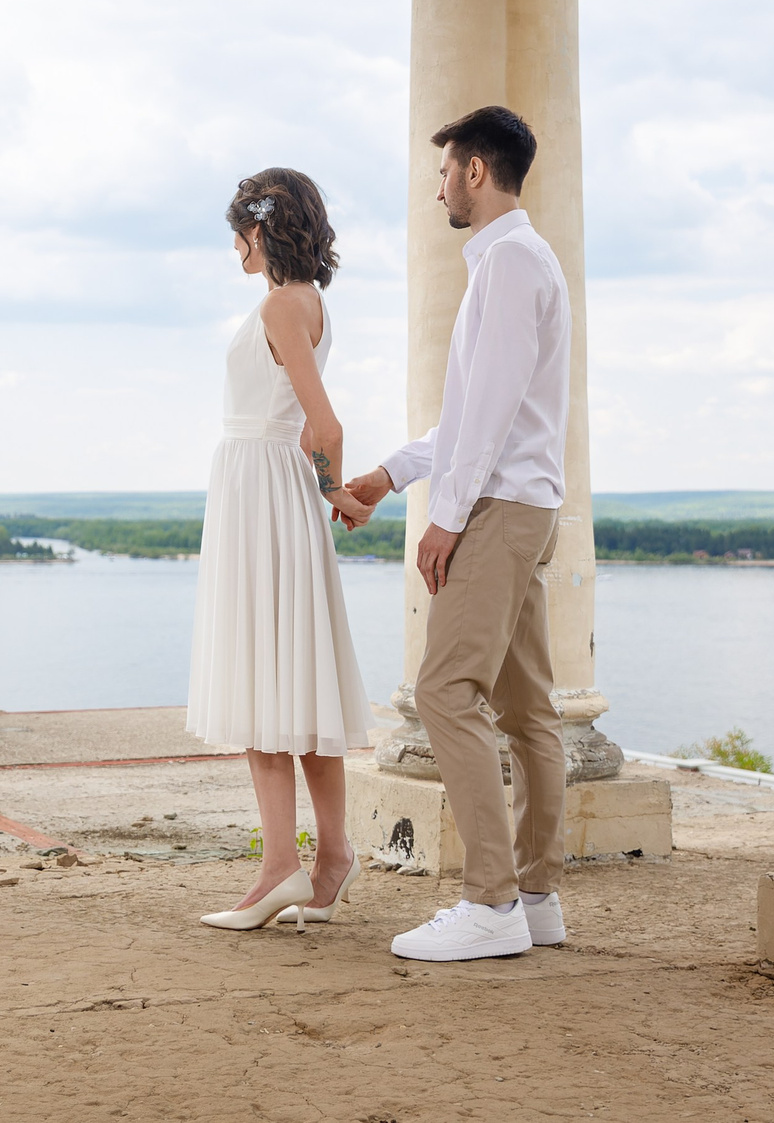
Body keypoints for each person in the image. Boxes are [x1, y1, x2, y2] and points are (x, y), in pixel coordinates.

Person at [342, 104, 572, 962]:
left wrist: (444, 518)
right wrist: (393, 473)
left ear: (476, 170)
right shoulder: (517, 261)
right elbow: (475, 415)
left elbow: (495, 407)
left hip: (499, 510)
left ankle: (491, 901)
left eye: (444, 170)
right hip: (523, 503)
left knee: (444, 691)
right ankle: (536, 896)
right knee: (527, 710)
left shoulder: (510, 261)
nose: (437, 185)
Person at [185, 168, 380, 931]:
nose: (234, 243)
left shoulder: (276, 303)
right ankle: (331, 857)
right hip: (271, 489)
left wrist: (334, 490)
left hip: (261, 492)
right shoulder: (311, 304)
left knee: (263, 685)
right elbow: (306, 422)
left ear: (260, 229)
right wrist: (325, 491)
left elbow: (323, 425)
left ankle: (280, 868)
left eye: (238, 229)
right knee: (297, 688)